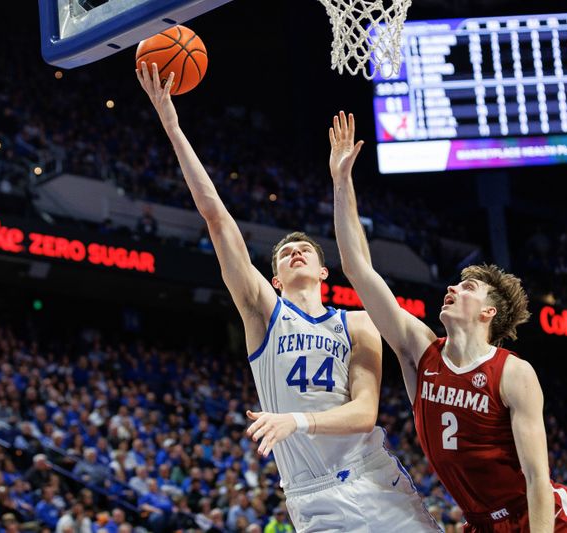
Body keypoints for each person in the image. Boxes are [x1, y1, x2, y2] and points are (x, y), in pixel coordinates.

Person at [136, 63, 439, 532]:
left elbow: (364, 413)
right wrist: (173, 127)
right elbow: (216, 217)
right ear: (274, 278)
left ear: (322, 270)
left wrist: (295, 422)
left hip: (371, 480)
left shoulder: (358, 323)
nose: (294, 250)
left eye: (305, 250)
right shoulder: (263, 313)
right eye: (284, 253)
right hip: (309, 496)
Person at [328, 111, 567, 533]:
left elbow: (538, 481)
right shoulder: (420, 349)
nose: (452, 288)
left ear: (489, 312)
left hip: (541, 519)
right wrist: (342, 183)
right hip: (480, 524)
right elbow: (357, 269)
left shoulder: (512, 372)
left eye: (468, 288)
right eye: (455, 283)